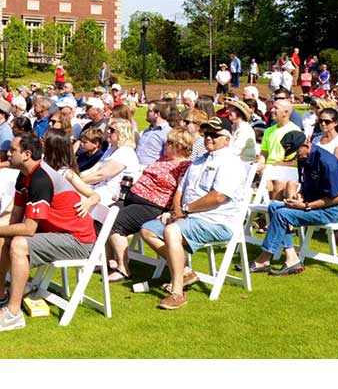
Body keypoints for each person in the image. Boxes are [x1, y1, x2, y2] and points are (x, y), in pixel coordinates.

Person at [0, 132, 98, 332]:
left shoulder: (41, 179)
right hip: (59, 234)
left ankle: (14, 314)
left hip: (79, 241)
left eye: (13, 150)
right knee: (3, 236)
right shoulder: (24, 176)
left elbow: (29, 229)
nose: (7, 154)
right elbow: (15, 218)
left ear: (26, 154)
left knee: (19, 243)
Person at [140, 119, 247, 310]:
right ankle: (185, 272)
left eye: (215, 135)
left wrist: (185, 210)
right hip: (190, 217)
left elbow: (218, 197)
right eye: (206, 134)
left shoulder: (231, 163)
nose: (209, 139)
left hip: (217, 221)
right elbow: (181, 190)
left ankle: (177, 292)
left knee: (172, 231)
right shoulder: (199, 160)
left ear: (228, 139)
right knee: (148, 229)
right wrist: (176, 211)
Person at [248, 137, 338, 276]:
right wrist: (300, 196)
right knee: (274, 206)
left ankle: (264, 259)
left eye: (296, 152)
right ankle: (292, 258)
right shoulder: (304, 158)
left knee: (282, 214)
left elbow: (336, 198)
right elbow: (306, 184)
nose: (296, 156)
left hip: (335, 209)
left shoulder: (328, 163)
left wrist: (305, 205)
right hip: (315, 204)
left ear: (307, 144)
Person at [106, 127, 195, 281]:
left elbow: (182, 191)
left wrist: (171, 211)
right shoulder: (164, 159)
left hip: (153, 206)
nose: (165, 145)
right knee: (104, 215)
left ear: (179, 146)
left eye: (169, 143)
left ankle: (123, 268)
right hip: (133, 199)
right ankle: (107, 261)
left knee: (113, 222)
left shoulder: (184, 166)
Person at [80, 119, 141, 205]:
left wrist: (76, 182)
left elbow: (100, 175)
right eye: (108, 128)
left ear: (121, 133)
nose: (108, 131)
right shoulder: (111, 149)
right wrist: (76, 177)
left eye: (111, 130)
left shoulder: (125, 152)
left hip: (111, 195)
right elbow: (94, 169)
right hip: (99, 188)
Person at [136, 100, 171, 167]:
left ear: (157, 114)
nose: (147, 113)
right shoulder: (147, 130)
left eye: (149, 111)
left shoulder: (168, 133)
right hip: (137, 169)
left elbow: (167, 158)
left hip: (151, 172)